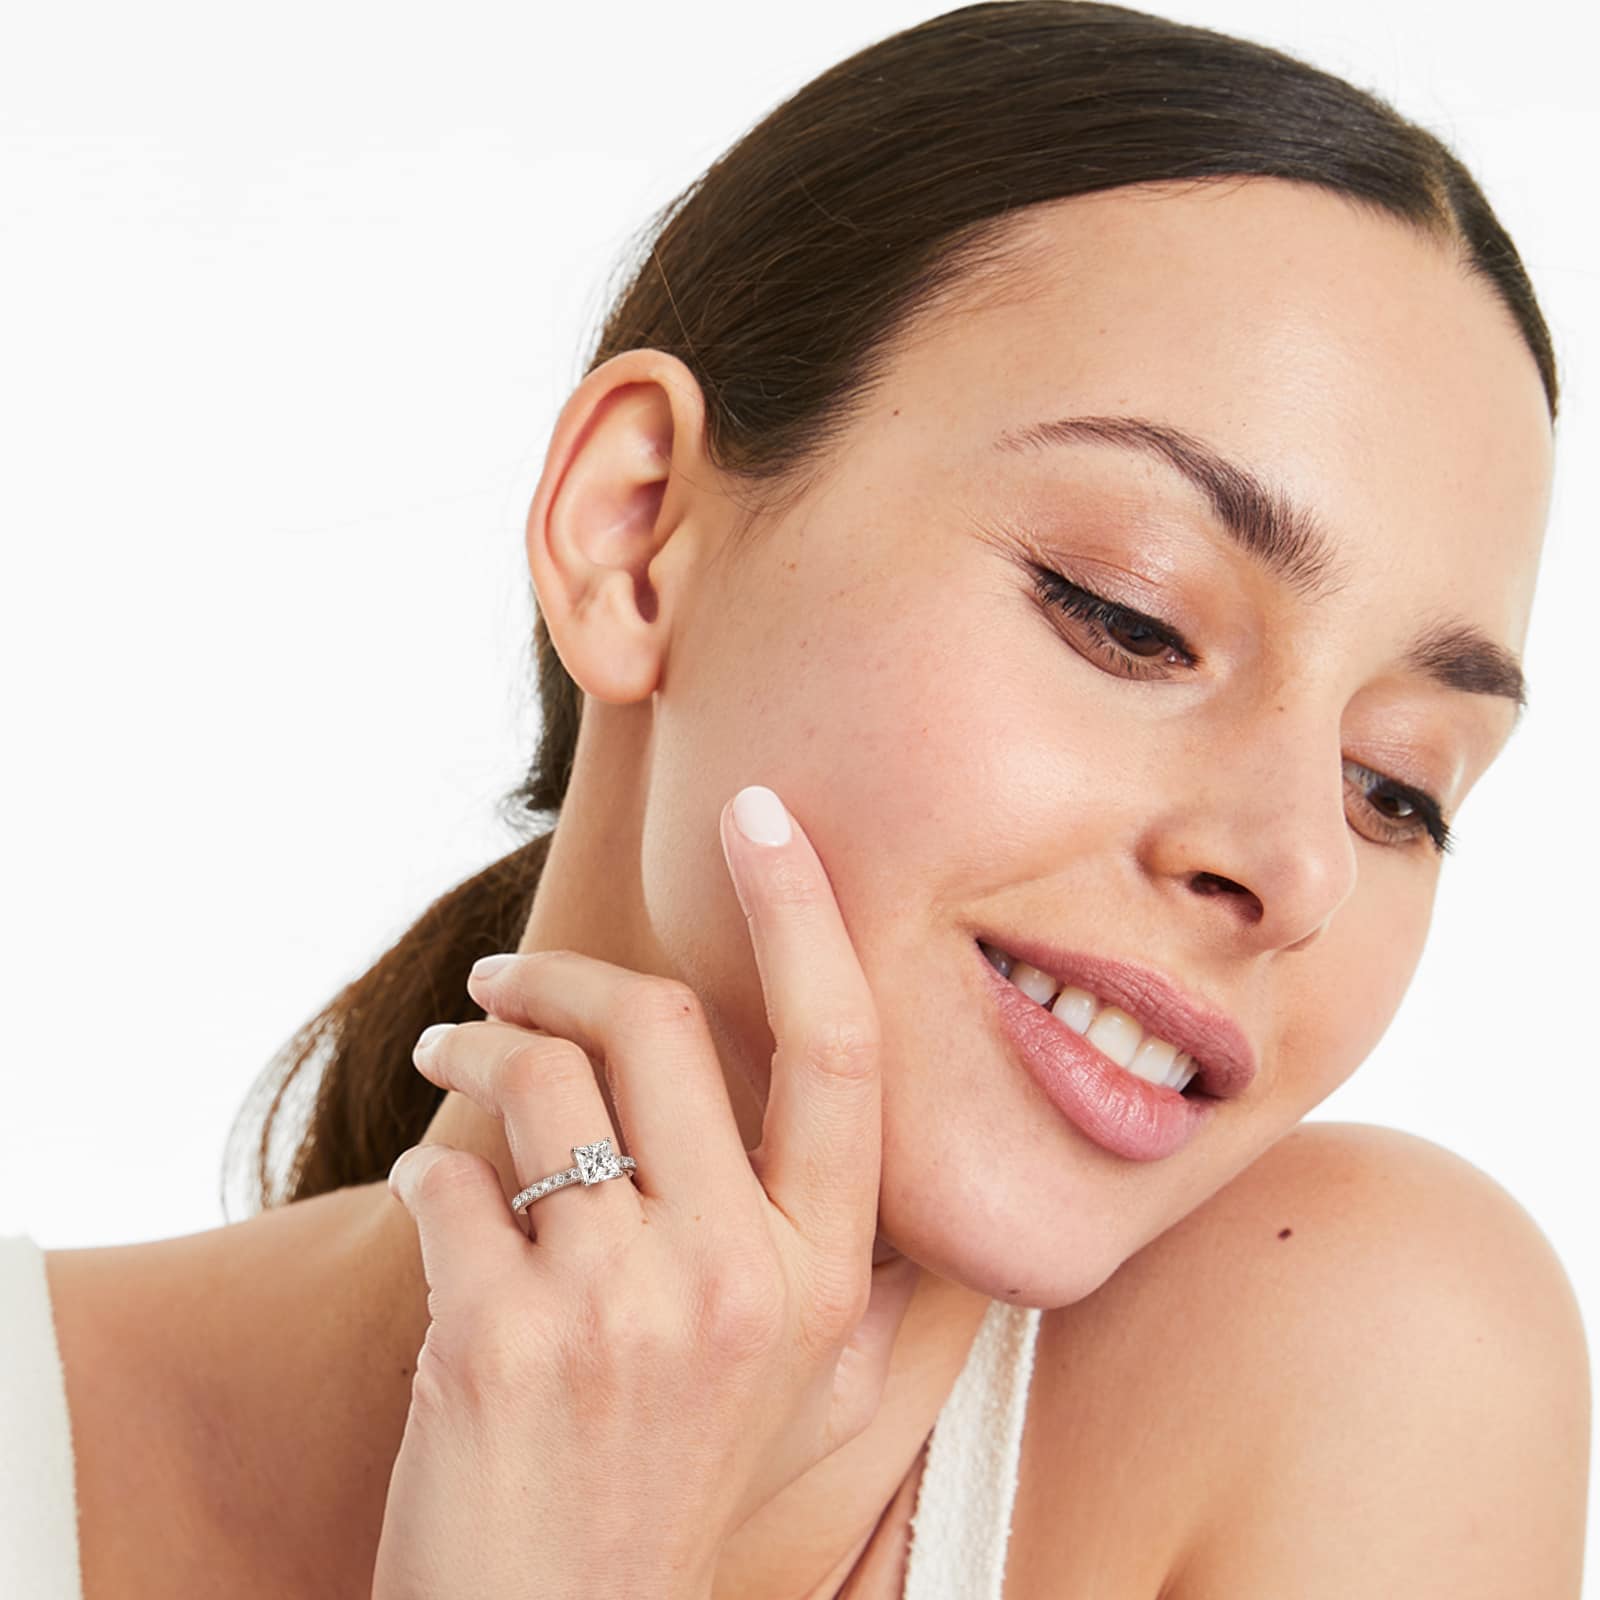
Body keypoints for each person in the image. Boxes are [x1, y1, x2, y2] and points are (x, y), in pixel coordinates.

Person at [4, 1, 1588, 1595]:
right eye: (1129, 614)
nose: (1300, 866)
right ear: (635, 536)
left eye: (1399, 789)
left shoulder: (1362, 1367)